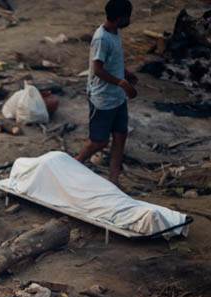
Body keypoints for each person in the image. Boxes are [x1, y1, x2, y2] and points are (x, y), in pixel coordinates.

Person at [75, 0, 138, 186]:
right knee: (99, 142)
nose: (129, 20)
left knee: (120, 136)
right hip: (102, 98)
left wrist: (125, 73)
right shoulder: (101, 38)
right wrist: (121, 82)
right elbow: (98, 70)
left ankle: (114, 181)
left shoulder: (115, 32)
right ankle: (72, 165)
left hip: (117, 97)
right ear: (119, 18)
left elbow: (114, 61)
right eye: (127, 17)